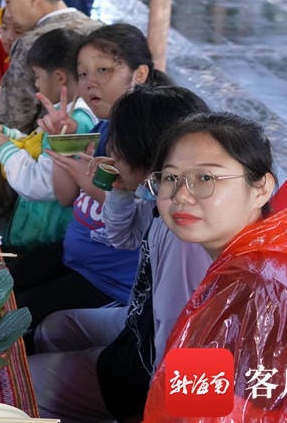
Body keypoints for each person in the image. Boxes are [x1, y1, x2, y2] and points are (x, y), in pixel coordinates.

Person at [143, 114, 287, 422]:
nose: (181, 194)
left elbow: (205, 414)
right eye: (171, 178)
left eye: (205, 178)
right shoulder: (246, 273)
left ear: (261, 189)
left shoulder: (254, 294)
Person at [29, 86, 212, 423]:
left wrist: (151, 410)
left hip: (150, 362)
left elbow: (181, 339)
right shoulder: (160, 197)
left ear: (146, 156)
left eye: (116, 145)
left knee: (21, 382)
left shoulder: (184, 236)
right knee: (52, 328)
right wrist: (121, 191)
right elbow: (123, 238)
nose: (110, 151)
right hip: (139, 320)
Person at [11, 24, 170, 328]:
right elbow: (66, 196)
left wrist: (84, 178)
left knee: (14, 320)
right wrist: (61, 142)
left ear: (139, 74)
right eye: (83, 74)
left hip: (109, 282)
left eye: (103, 70)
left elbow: (143, 212)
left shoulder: (153, 140)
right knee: (0, 287)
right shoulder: (102, 129)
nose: (89, 82)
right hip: (72, 257)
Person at [0, 28, 97, 256]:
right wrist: (5, 132)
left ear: (59, 77)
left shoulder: (75, 123)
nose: (37, 85)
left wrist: (4, 147)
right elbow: (37, 146)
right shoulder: (67, 113)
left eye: (37, 76)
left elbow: (40, 184)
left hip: (45, 233)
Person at [0, 0, 101, 135]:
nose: (8, 12)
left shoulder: (30, 43)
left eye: (8, 1)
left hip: (45, 148)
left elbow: (10, 123)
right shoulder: (101, 32)